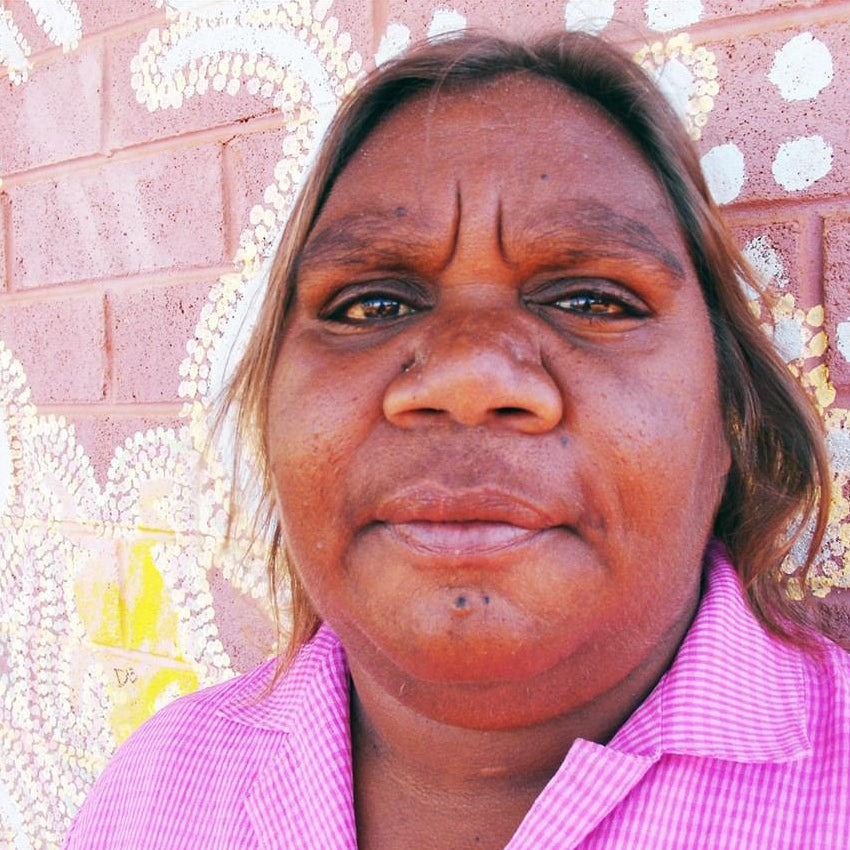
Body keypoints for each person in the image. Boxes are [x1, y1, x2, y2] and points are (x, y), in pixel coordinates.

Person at [64, 31, 850, 850]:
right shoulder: (156, 790)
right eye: (371, 306)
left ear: (729, 423)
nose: (468, 376)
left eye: (591, 300)